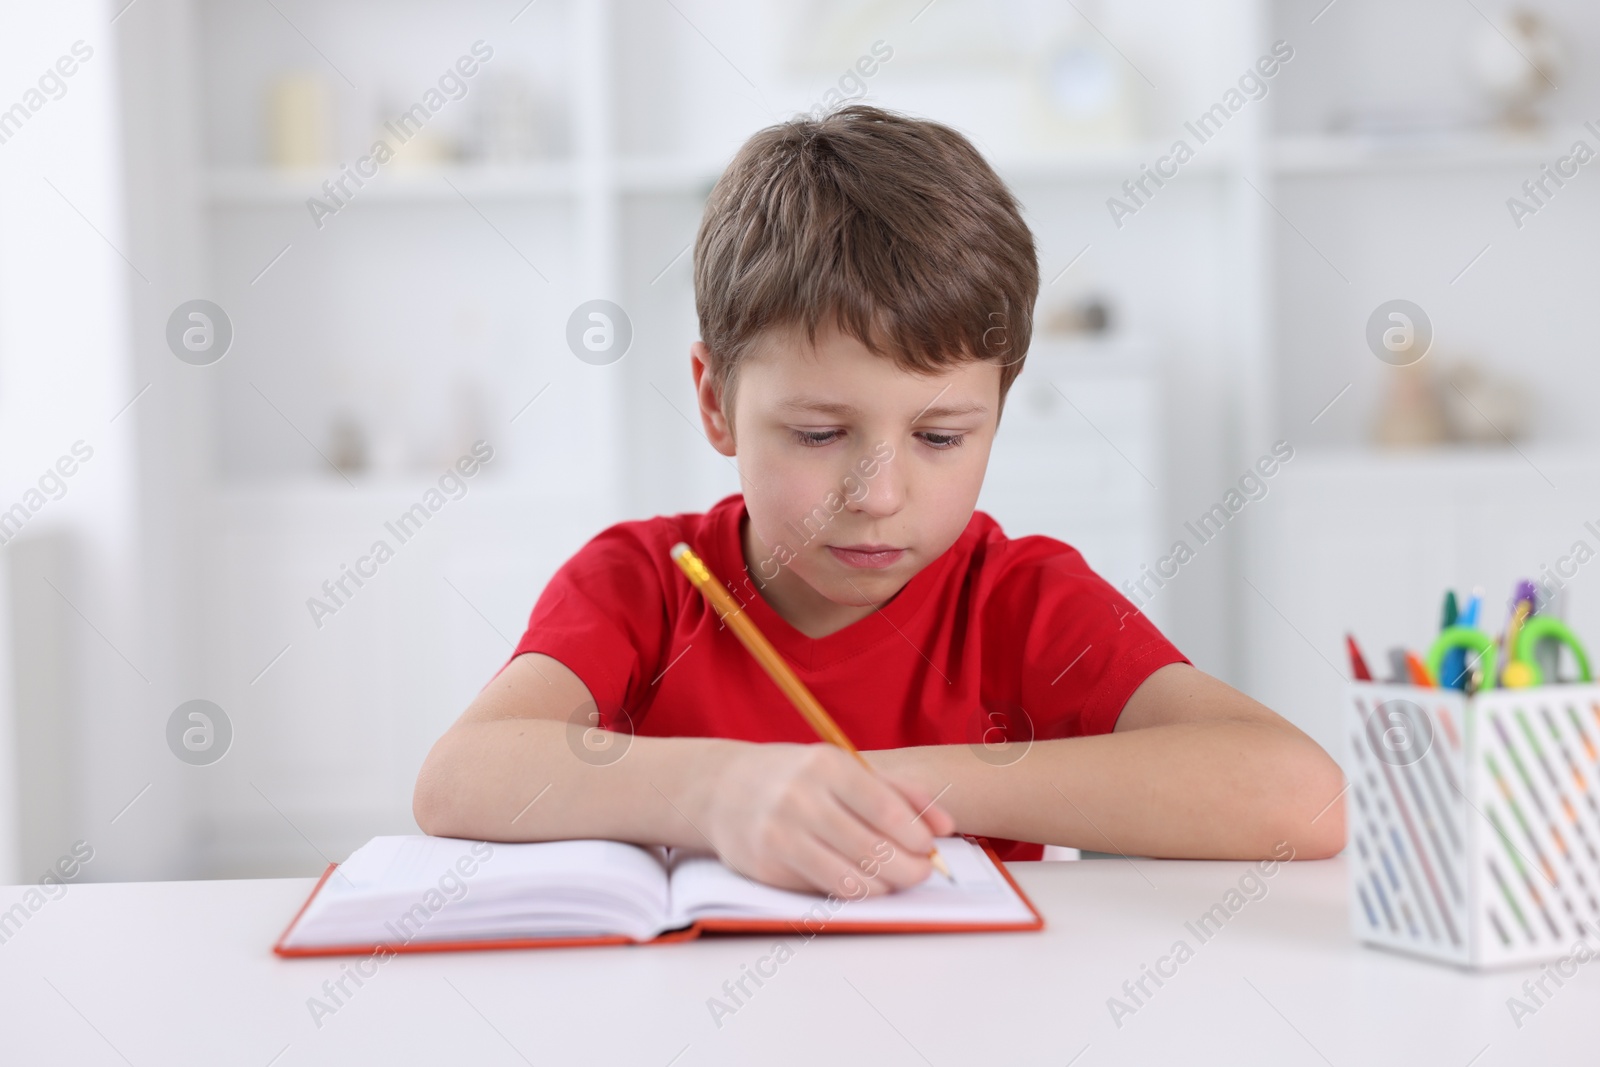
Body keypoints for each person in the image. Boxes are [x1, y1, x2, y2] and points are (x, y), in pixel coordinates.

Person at [414, 105, 1345, 897]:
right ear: (714, 401)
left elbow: (1303, 797)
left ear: (998, 412)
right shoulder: (641, 586)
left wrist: (894, 785)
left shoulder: (1017, 602)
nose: (880, 495)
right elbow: (459, 778)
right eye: (820, 436)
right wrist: (718, 789)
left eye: (942, 437)